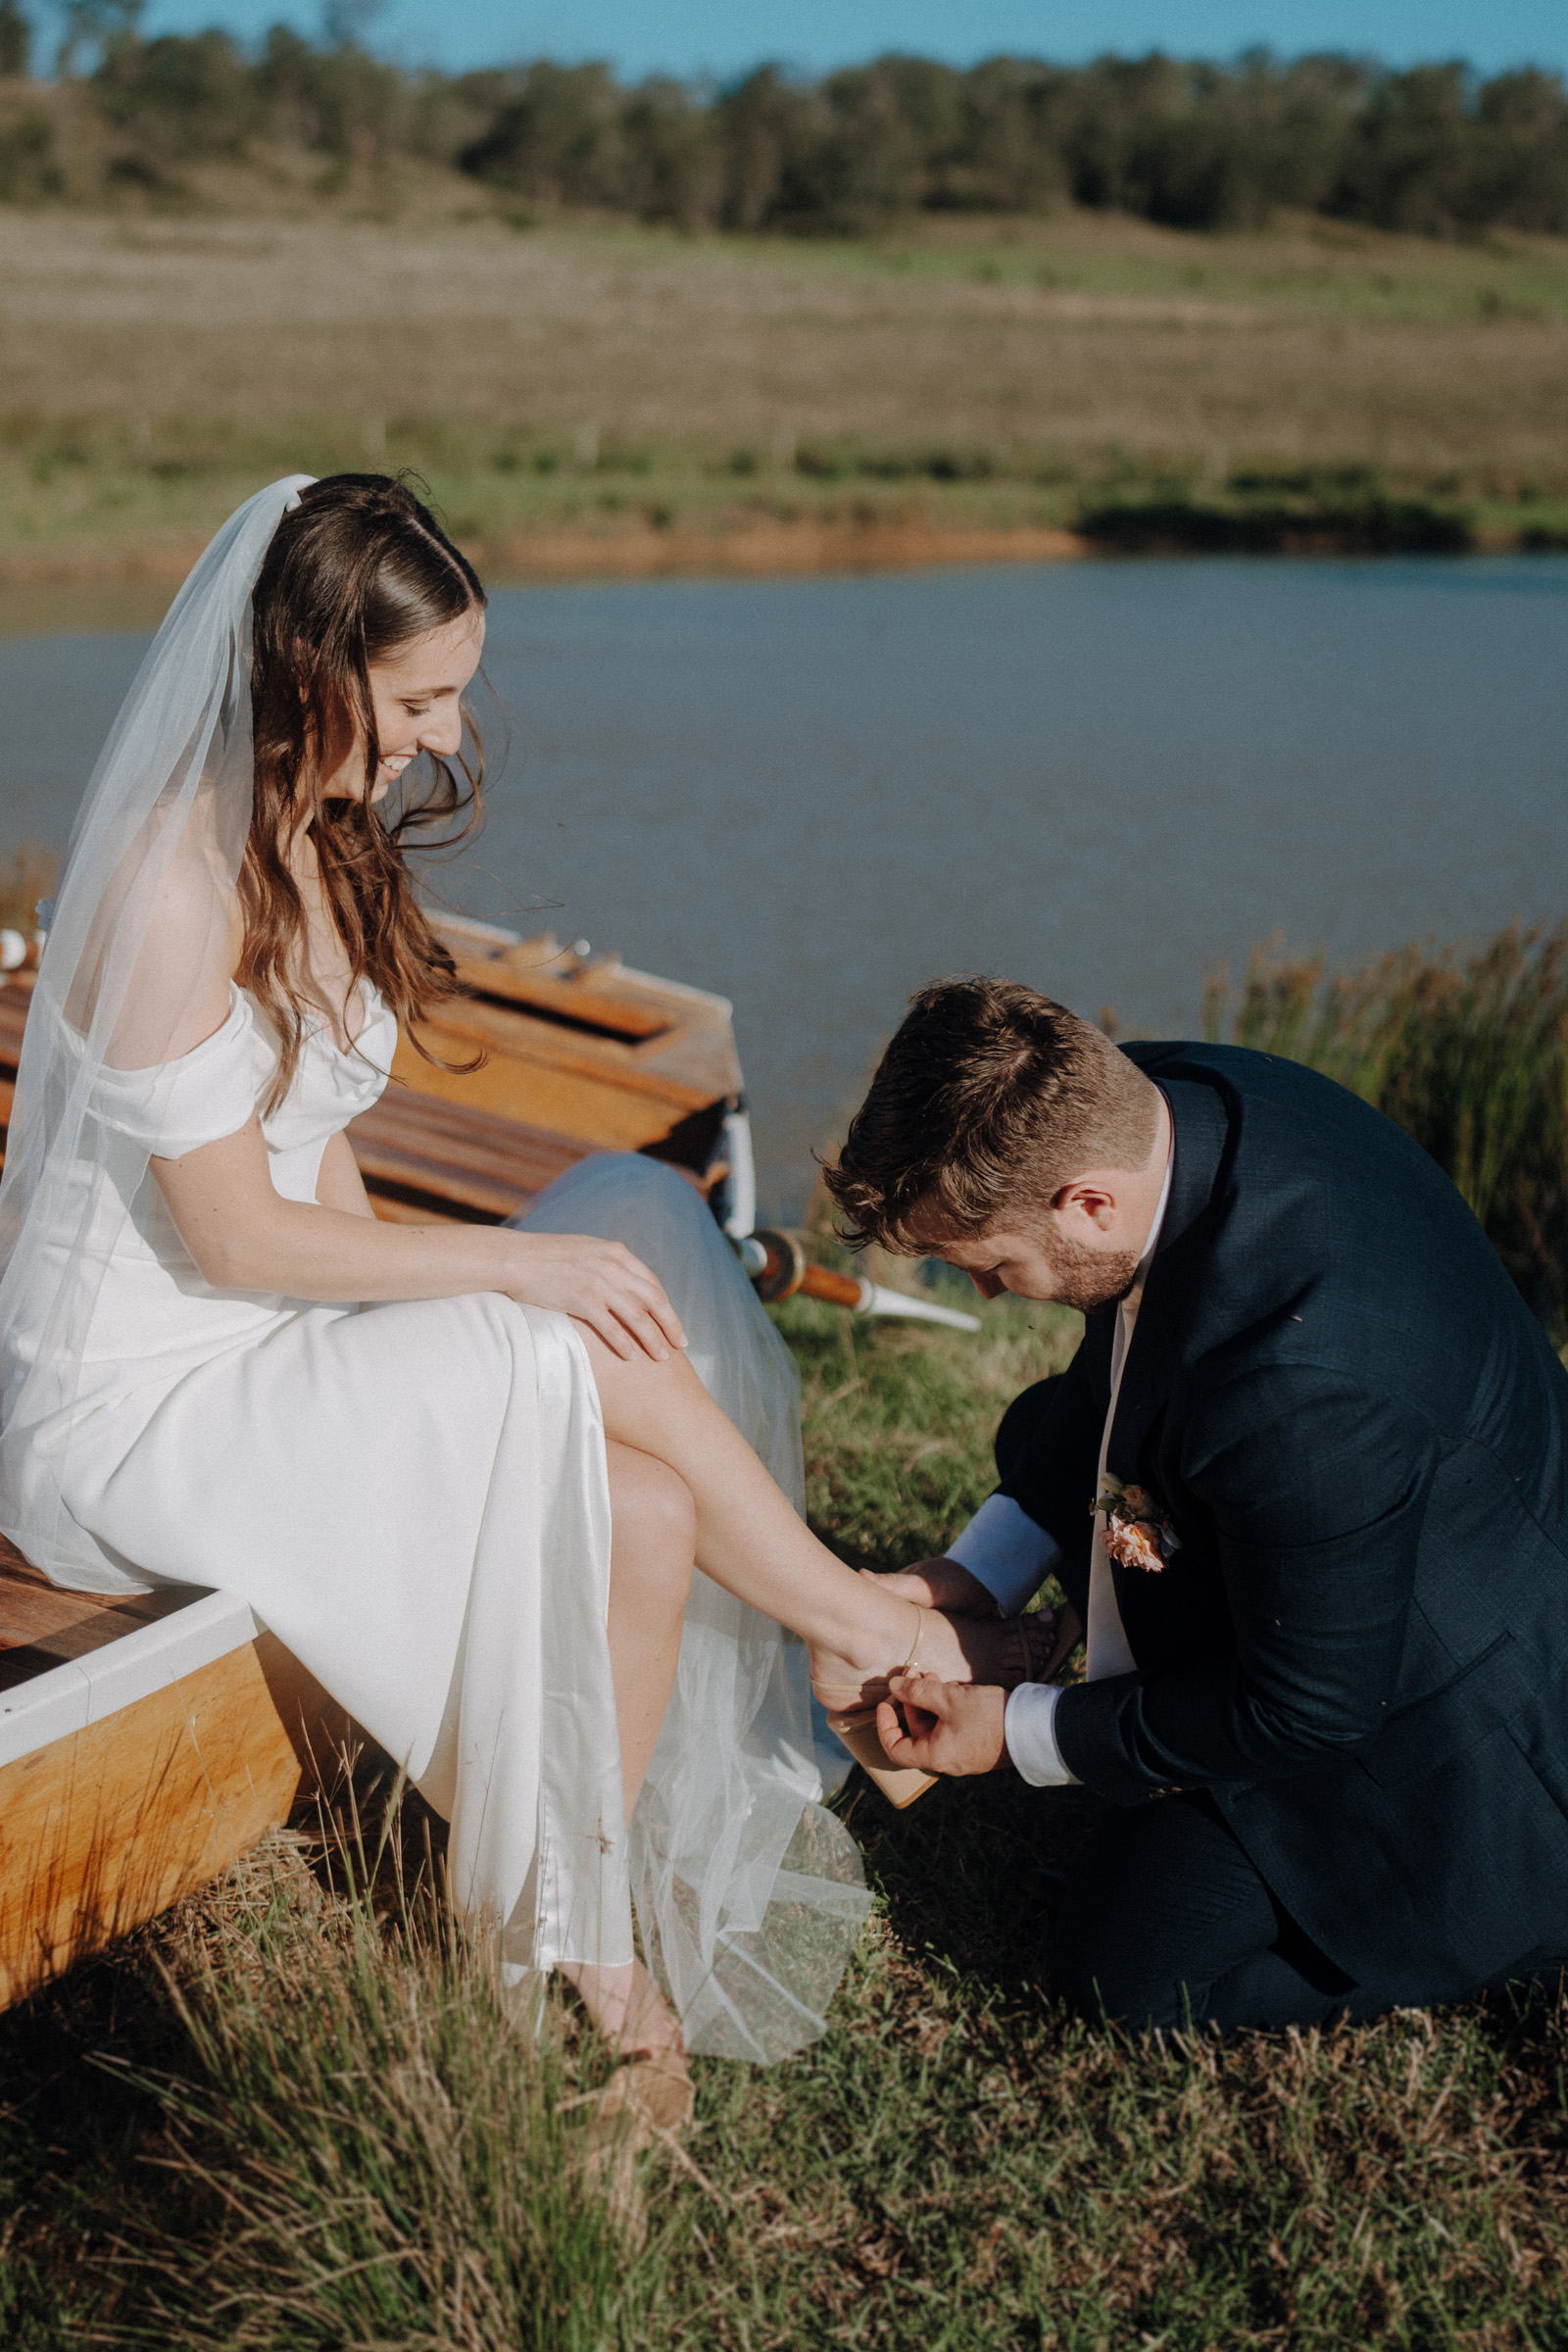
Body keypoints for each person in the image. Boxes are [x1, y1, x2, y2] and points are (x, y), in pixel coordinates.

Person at [0, 476, 1050, 2125]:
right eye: (415, 695)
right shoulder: (165, 886)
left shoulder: (320, 845)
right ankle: (857, 1629)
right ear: (301, 665)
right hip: (129, 1416)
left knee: (631, 1342)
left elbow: (320, 1158)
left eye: (453, 687)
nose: (444, 729)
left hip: (262, 1339)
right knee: (552, 1298)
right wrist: (493, 1272)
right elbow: (239, 1236)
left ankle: (563, 1940)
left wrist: (418, 1346)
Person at [823, 976, 1568, 2034]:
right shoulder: (1165, 1100)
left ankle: (1517, 1937)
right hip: (1348, 1515)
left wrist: (1016, 1731)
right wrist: (975, 1572)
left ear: (1087, 1203)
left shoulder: (1305, 1389)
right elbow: (1116, 1373)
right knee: (1037, 1427)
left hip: (1444, 1718)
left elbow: (1307, 1709)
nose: (986, 1295)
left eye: (990, 1266)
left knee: (1122, 1980)